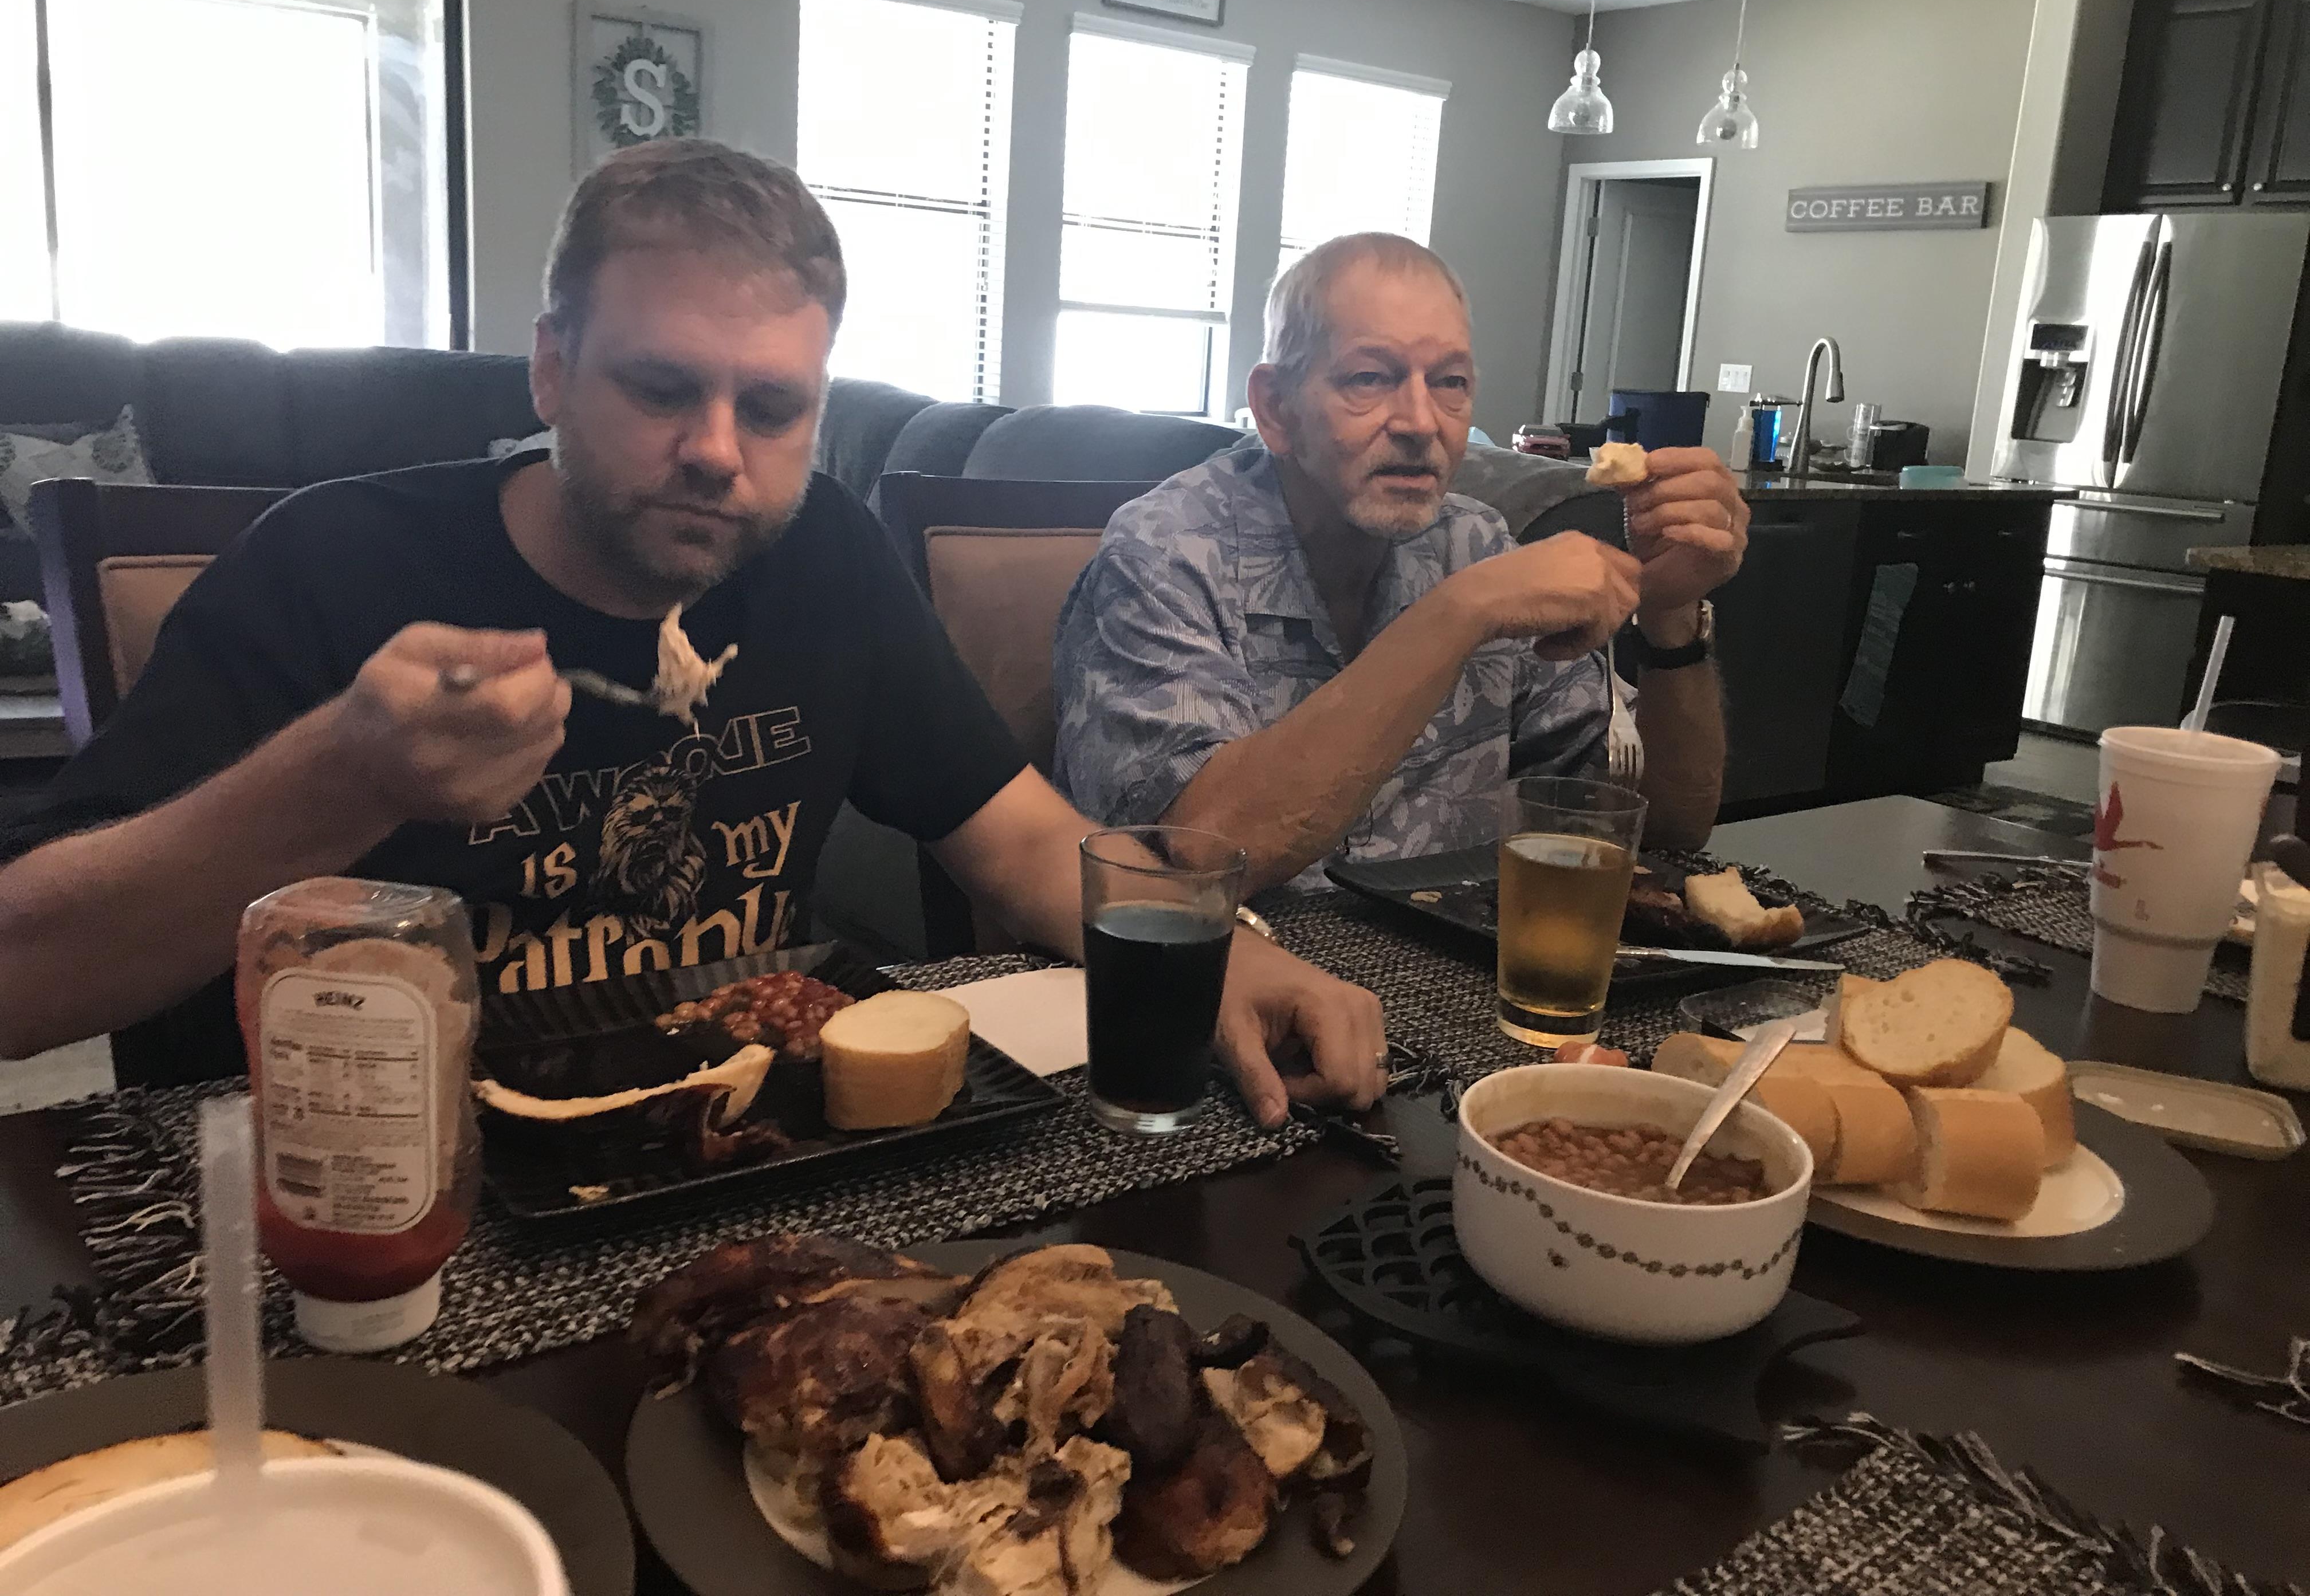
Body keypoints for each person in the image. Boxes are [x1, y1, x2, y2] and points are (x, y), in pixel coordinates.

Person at [0, 140, 1383, 1128]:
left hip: (735, 1160)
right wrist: (345, 778)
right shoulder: (332, 561)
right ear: (550, 366)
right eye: (661, 388)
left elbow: (1016, 839)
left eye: (772, 409)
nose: (717, 453)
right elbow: (24, 980)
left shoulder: (823, 556)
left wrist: (1226, 949)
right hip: (369, 1197)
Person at [1052, 232, 1746, 895]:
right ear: (1275, 408)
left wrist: (1670, 619)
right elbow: (1203, 852)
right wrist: (1459, 614)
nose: (1421, 421)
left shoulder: (1476, 543)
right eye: (1370, 377)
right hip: (1227, 990)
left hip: (1452, 989)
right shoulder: (1163, 555)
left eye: (1449, 381)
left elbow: (1662, 830)